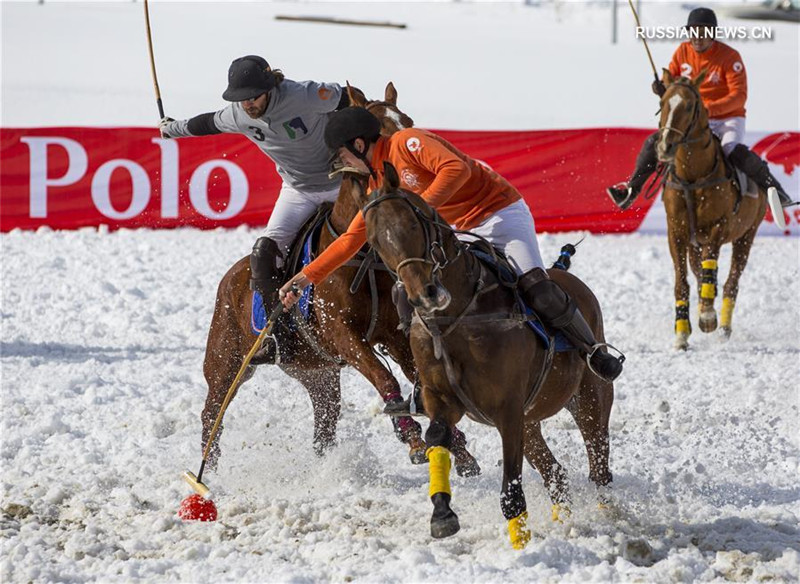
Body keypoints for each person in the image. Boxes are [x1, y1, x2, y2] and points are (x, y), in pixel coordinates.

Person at [278, 107, 624, 413]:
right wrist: (306, 277)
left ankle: (591, 349)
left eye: (341, 157)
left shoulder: (406, 142)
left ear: (357, 145)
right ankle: (429, 381)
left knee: (537, 287)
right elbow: (353, 238)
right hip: (454, 230)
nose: (343, 166)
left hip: (499, 214)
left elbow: (455, 169)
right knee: (410, 294)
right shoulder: (376, 184)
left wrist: (419, 209)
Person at [159, 56, 357, 349]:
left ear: (270, 87)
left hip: (341, 183)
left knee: (386, 231)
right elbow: (208, 123)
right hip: (298, 191)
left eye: (253, 97)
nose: (248, 105)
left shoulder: (304, 94)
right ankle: (278, 333)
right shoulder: (239, 114)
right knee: (265, 251)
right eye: (241, 100)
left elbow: (352, 98)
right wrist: (171, 128)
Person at [606, 7, 793, 218]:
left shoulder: (730, 57)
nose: (697, 37)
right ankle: (630, 191)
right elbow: (674, 86)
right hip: (692, 119)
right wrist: (662, 89)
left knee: (731, 148)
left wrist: (708, 109)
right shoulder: (682, 52)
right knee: (655, 142)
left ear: (712, 34)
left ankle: (776, 191)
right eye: (693, 32)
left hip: (727, 118)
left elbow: (739, 96)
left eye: (703, 32)